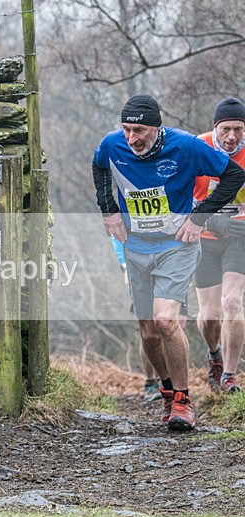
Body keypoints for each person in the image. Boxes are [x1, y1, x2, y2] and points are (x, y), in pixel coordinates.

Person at [93, 94, 245, 431]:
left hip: (177, 246)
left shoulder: (187, 147)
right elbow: (100, 166)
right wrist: (108, 209)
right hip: (135, 247)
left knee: (166, 321)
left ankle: (182, 399)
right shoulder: (112, 144)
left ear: (157, 128)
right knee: (148, 332)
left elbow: (234, 176)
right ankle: (165, 388)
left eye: (140, 131)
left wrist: (199, 217)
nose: (132, 139)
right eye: (127, 130)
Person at [193, 97, 245, 394]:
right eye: (226, 129)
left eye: (239, 129)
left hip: (239, 239)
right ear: (215, 127)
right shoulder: (198, 148)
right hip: (205, 238)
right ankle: (214, 354)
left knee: (232, 302)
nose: (232, 137)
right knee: (210, 315)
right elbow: (178, 196)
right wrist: (211, 221)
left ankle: (229, 375)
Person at [111, 235, 188, 403]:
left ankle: (179, 390)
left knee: (172, 323)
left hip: (173, 257)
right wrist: (124, 263)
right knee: (149, 332)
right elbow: (117, 232)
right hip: (137, 259)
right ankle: (152, 381)